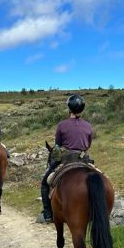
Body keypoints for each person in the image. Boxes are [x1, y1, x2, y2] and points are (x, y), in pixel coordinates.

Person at [38, 94, 93, 223]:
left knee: (45, 183)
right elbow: (88, 144)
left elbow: (57, 145)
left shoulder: (62, 125)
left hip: (66, 159)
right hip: (83, 159)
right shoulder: (88, 125)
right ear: (82, 109)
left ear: (69, 109)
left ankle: (47, 214)